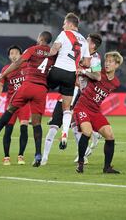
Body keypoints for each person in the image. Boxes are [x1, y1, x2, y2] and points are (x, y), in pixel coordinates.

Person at [0, 31, 55, 167]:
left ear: (41, 38)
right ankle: (37, 154)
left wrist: (2, 75)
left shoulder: (32, 49)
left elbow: (18, 63)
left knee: (11, 108)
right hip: (42, 89)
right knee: (37, 123)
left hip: (29, 84)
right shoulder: (54, 53)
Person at [42, 33, 102, 165]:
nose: (84, 42)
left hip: (81, 93)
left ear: (92, 45)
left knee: (70, 123)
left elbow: (97, 76)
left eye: (87, 40)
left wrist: (84, 71)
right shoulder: (80, 53)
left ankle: (90, 139)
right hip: (70, 88)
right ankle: (90, 141)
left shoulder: (95, 59)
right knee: (73, 124)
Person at [74, 51, 123, 174]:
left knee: (110, 135)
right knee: (87, 132)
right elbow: (85, 70)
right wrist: (82, 72)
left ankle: (107, 168)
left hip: (95, 110)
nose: (107, 63)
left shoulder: (116, 83)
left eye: (110, 62)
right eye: (106, 61)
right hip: (83, 106)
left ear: (117, 65)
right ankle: (80, 163)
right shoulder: (97, 72)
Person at [47, 12, 91, 150]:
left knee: (39, 86)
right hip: (70, 75)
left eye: (65, 23)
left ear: (70, 24)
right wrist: (80, 63)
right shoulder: (84, 40)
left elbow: (53, 51)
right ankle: (64, 133)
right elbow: (87, 63)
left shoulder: (64, 34)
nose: (63, 25)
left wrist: (46, 54)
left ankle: (33, 114)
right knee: (67, 108)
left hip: (57, 70)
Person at [0, 45, 30, 165]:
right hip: (11, 104)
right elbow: (1, 85)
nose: (14, 55)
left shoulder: (27, 66)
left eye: (16, 53)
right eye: (11, 53)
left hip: (24, 103)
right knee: (8, 130)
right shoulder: (6, 69)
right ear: (9, 56)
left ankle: (21, 156)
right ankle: (6, 157)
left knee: (24, 128)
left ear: (20, 54)